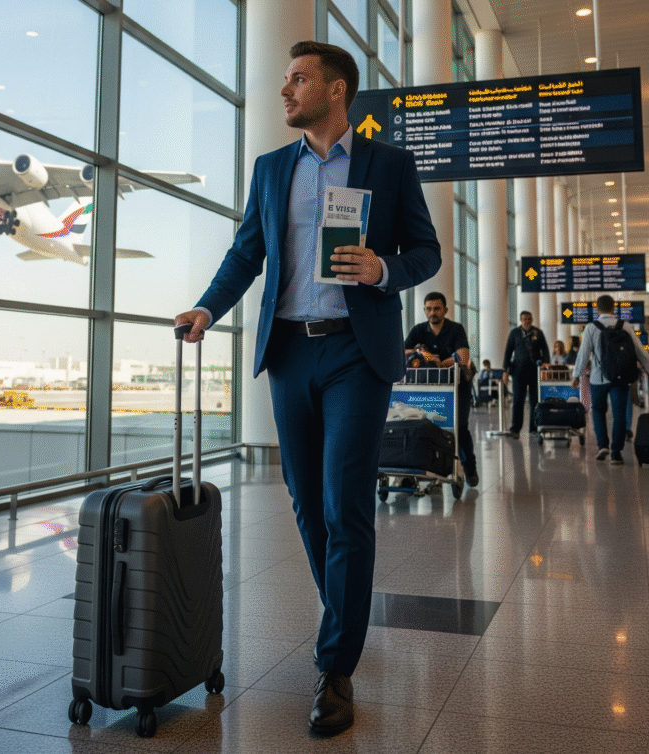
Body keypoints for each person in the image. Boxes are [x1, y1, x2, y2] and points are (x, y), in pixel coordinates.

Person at [174, 41, 441, 735]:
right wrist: (207, 308)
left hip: (357, 351)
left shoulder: (389, 166)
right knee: (304, 504)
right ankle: (346, 615)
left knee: (344, 502)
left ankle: (335, 668)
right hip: (290, 352)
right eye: (286, 78)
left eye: (299, 79)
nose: (286, 90)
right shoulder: (271, 170)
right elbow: (245, 253)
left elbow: (428, 252)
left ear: (337, 91)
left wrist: (383, 269)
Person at [570, 294, 649, 465]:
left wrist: (576, 375)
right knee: (619, 414)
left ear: (597, 309)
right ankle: (616, 453)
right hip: (621, 377)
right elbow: (640, 351)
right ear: (614, 308)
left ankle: (602, 446)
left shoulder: (591, 327)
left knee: (598, 411)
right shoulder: (625, 325)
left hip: (598, 378)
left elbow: (583, 354)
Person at [404, 292, 478, 487]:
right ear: (424, 310)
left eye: (437, 308)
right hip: (431, 387)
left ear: (445, 310)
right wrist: (427, 356)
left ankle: (469, 467)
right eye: (428, 309)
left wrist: (436, 362)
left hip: (458, 385)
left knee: (459, 427)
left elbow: (462, 357)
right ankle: (431, 467)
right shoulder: (418, 330)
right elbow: (403, 351)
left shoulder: (456, 329)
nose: (432, 312)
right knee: (426, 425)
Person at [502, 311, 550, 437]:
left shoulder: (538, 333)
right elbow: (508, 352)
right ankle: (515, 428)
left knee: (535, 401)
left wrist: (546, 363)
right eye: (524, 319)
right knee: (518, 400)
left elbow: (545, 349)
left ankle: (534, 428)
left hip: (534, 371)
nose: (527, 321)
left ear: (532, 319)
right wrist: (505, 371)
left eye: (529, 319)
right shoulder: (515, 333)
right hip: (518, 372)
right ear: (520, 320)